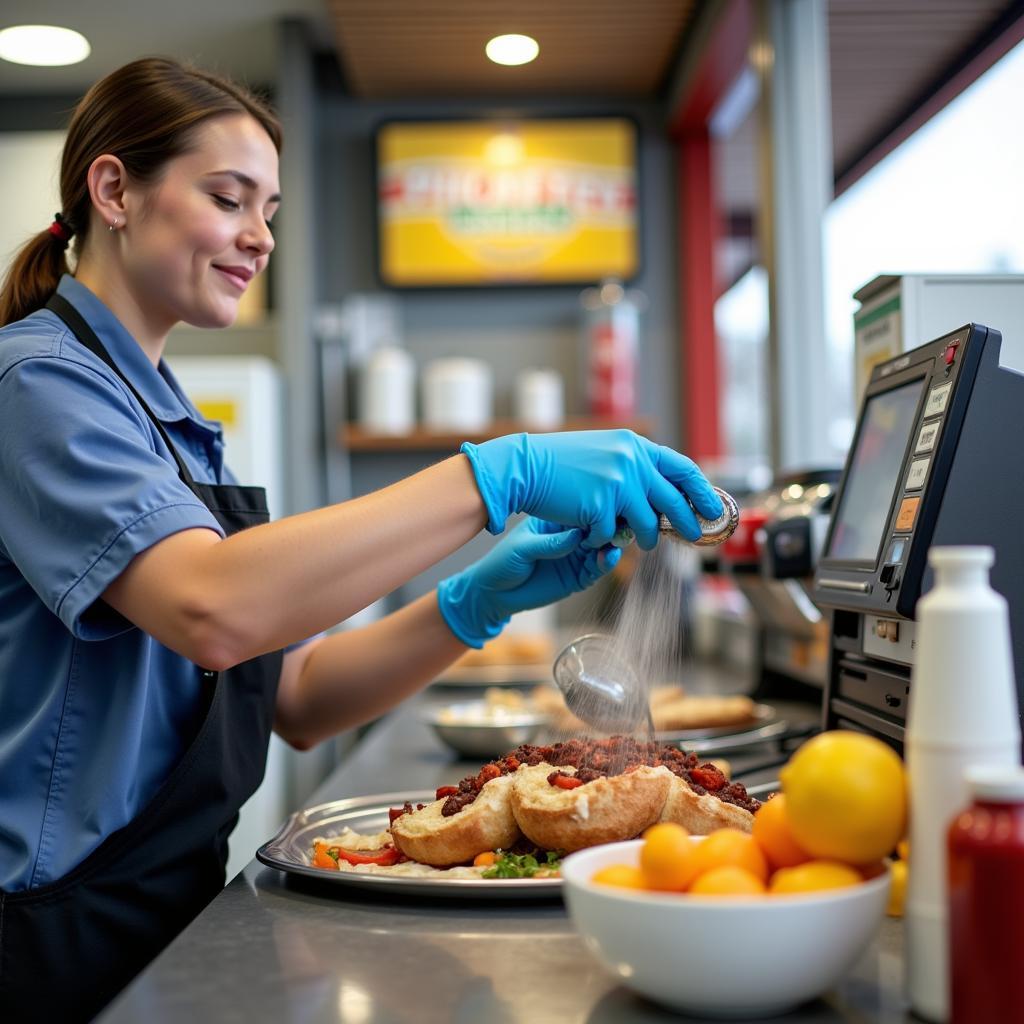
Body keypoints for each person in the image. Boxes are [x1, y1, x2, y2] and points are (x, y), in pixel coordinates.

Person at [0, 57, 723, 1020]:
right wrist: (494, 473)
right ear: (114, 189)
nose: (260, 237)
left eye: (273, 209)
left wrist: (473, 600)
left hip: (164, 911)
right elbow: (214, 609)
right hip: (51, 937)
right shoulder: (35, 386)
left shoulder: (168, 419)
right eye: (229, 198)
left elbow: (294, 693)